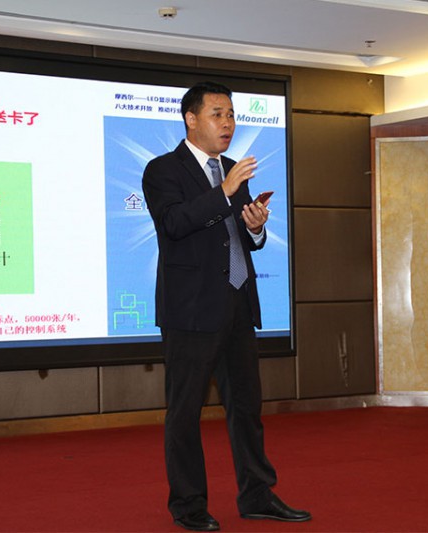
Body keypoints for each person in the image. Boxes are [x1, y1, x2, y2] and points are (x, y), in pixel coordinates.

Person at [142, 81, 311, 532]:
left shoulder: (233, 170)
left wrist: (255, 227)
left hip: (237, 302)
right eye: (217, 114)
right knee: (185, 413)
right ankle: (188, 505)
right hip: (191, 311)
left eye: (232, 114)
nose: (228, 123)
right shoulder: (163, 170)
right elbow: (174, 224)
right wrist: (223, 193)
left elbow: (238, 238)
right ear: (191, 119)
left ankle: (257, 495)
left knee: (246, 408)